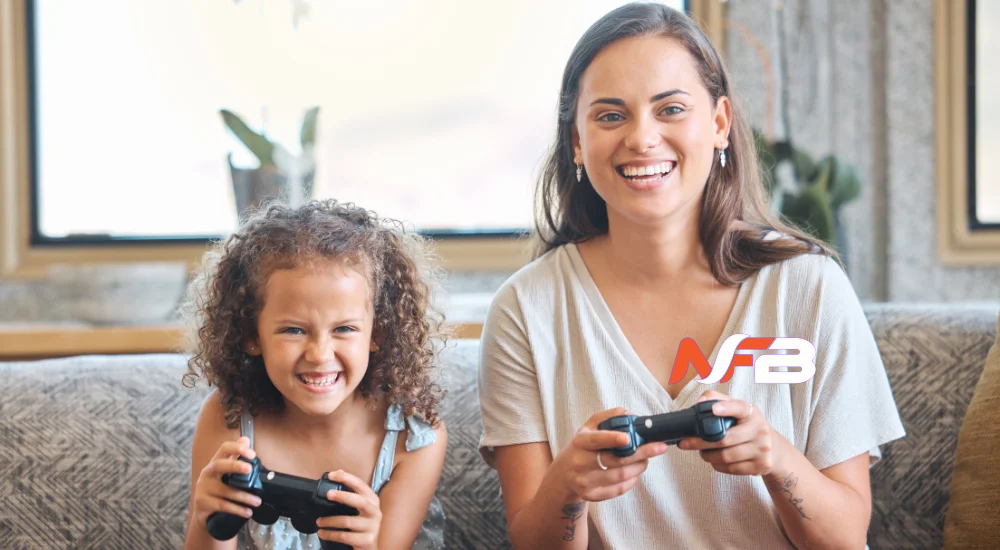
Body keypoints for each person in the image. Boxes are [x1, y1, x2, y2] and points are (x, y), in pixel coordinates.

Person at [476, 3, 905, 549]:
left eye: (671, 109)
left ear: (720, 123)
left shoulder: (810, 288)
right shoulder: (524, 309)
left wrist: (775, 459)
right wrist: (568, 488)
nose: (642, 138)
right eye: (610, 116)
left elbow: (844, 539)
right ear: (577, 142)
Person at [180, 199, 449, 550]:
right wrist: (209, 516)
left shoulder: (413, 438)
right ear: (251, 335)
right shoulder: (228, 417)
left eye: (344, 329)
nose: (320, 355)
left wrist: (369, 545)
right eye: (293, 330)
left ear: (378, 334)